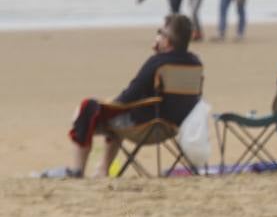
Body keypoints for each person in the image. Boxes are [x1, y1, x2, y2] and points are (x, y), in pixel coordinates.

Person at [60, 14, 202, 178]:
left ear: (168, 41)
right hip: (174, 126)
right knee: (114, 115)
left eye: (160, 33)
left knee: (87, 107)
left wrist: (109, 103)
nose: (157, 36)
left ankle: (78, 170)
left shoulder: (158, 62)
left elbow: (130, 95)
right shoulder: (195, 63)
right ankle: (102, 169)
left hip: (146, 126)